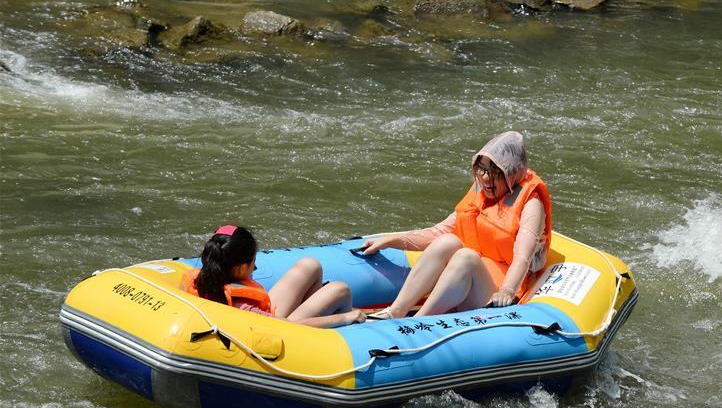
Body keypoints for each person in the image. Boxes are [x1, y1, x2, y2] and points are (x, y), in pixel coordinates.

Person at [362, 131, 551, 318]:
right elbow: (439, 231)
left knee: (465, 256)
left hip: (498, 297)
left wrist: (507, 291)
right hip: (465, 282)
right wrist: (390, 240)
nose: (485, 178)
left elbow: (522, 258)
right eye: (482, 169)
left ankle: (417, 321)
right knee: (447, 241)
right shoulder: (481, 190)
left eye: (495, 172)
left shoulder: (531, 204)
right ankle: (396, 312)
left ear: (512, 173)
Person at [182, 225, 364, 327]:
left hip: (274, 319)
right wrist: (346, 317)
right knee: (340, 290)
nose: (255, 267)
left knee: (310, 265)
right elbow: (288, 328)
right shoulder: (243, 307)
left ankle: (315, 310)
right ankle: (340, 327)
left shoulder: (206, 280)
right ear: (239, 269)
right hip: (283, 331)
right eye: (253, 261)